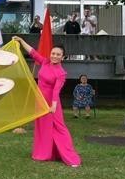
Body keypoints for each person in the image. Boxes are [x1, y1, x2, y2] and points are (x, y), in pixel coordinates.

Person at [12, 36, 81, 167]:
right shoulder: (45, 62)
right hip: (40, 101)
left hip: (51, 104)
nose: (55, 56)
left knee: (59, 129)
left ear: (63, 57)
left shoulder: (61, 73)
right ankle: (43, 154)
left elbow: (56, 91)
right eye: (53, 53)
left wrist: (53, 106)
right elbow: (33, 53)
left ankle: (71, 158)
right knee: (42, 128)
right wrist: (21, 41)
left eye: (58, 54)